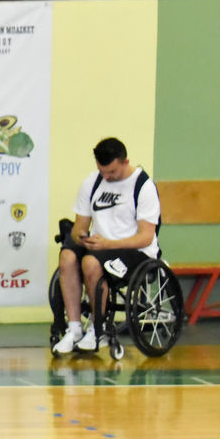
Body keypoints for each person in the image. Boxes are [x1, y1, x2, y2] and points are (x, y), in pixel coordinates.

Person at [53, 137, 162, 356]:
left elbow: (146, 237)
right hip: (100, 248)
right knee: (67, 256)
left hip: (135, 252)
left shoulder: (143, 187)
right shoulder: (92, 182)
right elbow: (79, 226)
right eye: (102, 171)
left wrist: (109, 244)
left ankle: (98, 329)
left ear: (125, 162)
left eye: (112, 172)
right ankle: (74, 328)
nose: (107, 177)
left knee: (91, 262)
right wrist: (81, 237)